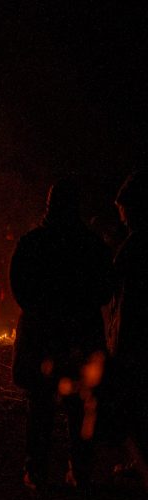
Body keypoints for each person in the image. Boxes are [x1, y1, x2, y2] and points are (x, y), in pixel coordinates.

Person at [10, 177, 115, 493]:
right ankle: (79, 470)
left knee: (41, 407)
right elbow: (105, 289)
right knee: (77, 409)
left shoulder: (33, 243)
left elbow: (20, 287)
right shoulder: (92, 245)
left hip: (44, 336)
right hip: (79, 335)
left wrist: (41, 312)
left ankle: (37, 470)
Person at [113, 172, 148, 479]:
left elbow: (109, 282)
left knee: (136, 400)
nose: (122, 218)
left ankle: (141, 464)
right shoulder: (133, 243)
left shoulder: (136, 245)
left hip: (137, 335)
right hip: (134, 332)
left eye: (124, 210)